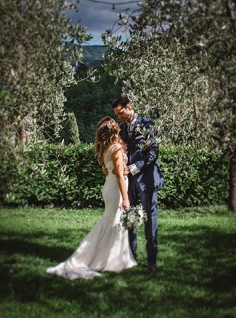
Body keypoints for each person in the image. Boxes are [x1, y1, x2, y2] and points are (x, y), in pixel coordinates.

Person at [46, 117, 136, 280]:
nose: (120, 128)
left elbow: (107, 168)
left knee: (112, 222)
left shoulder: (106, 147)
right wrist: (126, 198)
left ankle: (115, 259)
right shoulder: (115, 148)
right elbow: (120, 176)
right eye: (117, 126)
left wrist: (122, 169)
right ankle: (102, 258)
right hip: (116, 189)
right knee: (113, 222)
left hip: (109, 187)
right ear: (114, 130)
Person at [111, 97, 163, 273]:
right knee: (130, 220)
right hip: (129, 183)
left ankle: (151, 262)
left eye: (121, 112)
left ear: (129, 106)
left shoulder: (147, 124)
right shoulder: (123, 128)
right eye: (117, 114)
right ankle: (131, 257)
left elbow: (153, 153)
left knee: (150, 220)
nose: (120, 117)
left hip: (146, 180)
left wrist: (133, 168)